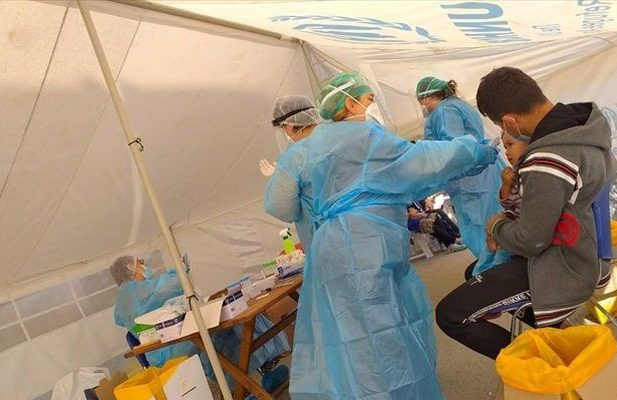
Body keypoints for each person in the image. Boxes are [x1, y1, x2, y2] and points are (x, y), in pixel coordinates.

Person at [264, 71, 498, 399]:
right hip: (359, 247)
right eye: (368, 98)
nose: (372, 103)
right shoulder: (359, 136)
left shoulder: (313, 147)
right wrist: (474, 151)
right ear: (350, 103)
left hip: (344, 244)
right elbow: (422, 160)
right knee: (380, 335)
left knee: (358, 334)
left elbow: (281, 204)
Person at [436, 66, 617, 360]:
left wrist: (495, 226)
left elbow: (531, 240)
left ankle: (548, 366)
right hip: (589, 251)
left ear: (510, 120)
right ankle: (560, 339)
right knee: (475, 272)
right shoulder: (586, 129)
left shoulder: (546, 158)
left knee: (451, 315)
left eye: (503, 128)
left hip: (565, 265)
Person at [111, 255, 291, 393]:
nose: (145, 266)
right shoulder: (135, 291)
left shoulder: (125, 299)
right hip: (170, 347)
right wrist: (180, 269)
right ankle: (246, 386)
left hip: (172, 343)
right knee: (223, 334)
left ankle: (250, 382)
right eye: (140, 263)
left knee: (228, 330)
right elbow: (171, 286)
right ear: (131, 269)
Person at [416, 76, 511, 276]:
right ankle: (501, 268)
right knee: (497, 221)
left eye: (422, 102)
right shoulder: (459, 105)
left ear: (427, 97)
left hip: (470, 178)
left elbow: (456, 150)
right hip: (482, 172)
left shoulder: (444, 110)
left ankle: (495, 274)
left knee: (481, 229)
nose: (424, 107)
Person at [260, 95, 322, 252]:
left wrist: (279, 179)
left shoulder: (293, 158)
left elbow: (281, 208)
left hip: (323, 235)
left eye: (283, 127)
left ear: (289, 125)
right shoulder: (338, 139)